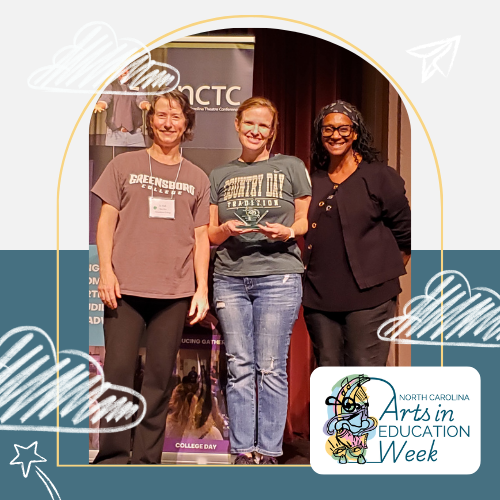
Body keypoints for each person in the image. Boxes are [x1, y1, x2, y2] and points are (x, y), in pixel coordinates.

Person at [91, 90, 211, 464]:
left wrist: (201, 289)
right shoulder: (124, 165)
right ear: (150, 120)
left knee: (159, 381)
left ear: (187, 124)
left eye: (176, 116)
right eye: (161, 115)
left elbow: (201, 236)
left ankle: (145, 462)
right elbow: (106, 222)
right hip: (123, 290)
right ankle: (112, 457)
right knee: (119, 375)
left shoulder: (197, 177)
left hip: (174, 292)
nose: (168, 122)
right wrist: (106, 271)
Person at [208, 97, 312, 464]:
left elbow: (303, 221)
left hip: (278, 277)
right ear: (237, 124)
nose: (255, 130)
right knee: (238, 365)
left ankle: (267, 451)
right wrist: (222, 228)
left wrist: (287, 232)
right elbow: (209, 234)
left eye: (263, 125)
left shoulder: (291, 166)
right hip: (230, 278)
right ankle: (242, 450)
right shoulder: (219, 175)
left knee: (270, 365)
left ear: (272, 131)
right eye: (249, 123)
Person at [303, 100, 411, 367]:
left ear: (355, 133)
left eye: (343, 129)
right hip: (319, 301)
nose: (335, 135)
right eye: (328, 129)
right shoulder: (311, 180)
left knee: (364, 375)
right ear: (320, 134)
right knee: (328, 376)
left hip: (370, 300)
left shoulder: (379, 177)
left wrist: (376, 275)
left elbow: (406, 235)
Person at [93, 69, 150, 147]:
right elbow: (105, 99)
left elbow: (141, 100)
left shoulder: (139, 86)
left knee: (138, 158)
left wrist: (147, 105)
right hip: (114, 135)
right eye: (121, 70)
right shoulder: (111, 86)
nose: (124, 73)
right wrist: (100, 105)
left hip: (135, 135)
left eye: (127, 70)